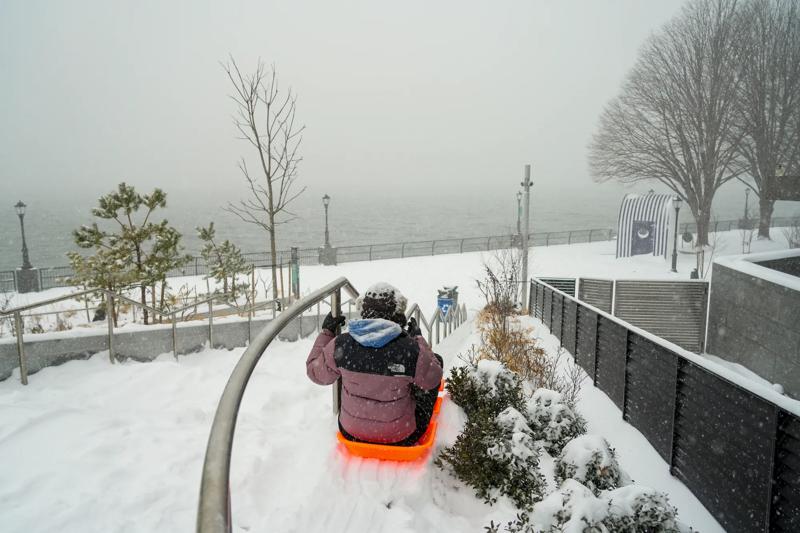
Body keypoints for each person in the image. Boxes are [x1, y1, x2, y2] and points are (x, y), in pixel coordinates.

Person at [306, 282, 444, 446]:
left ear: (364, 312)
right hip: (400, 436)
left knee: (344, 367)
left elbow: (315, 373)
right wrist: (418, 339)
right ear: (398, 314)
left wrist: (327, 332)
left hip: (351, 432)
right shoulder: (410, 349)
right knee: (435, 363)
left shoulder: (342, 344)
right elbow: (433, 378)